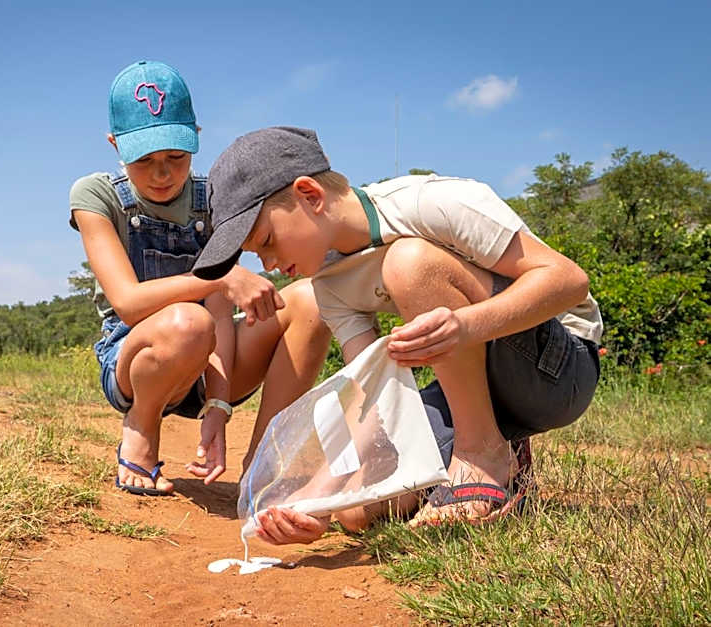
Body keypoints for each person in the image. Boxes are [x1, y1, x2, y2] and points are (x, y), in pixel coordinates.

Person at [192, 127, 602, 540]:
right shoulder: (329, 284)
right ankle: (505, 452)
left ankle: (482, 455)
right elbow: (375, 395)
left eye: (267, 241)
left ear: (310, 195)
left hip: (555, 369)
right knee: (356, 510)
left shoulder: (432, 203)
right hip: (476, 392)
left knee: (409, 262)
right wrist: (318, 501)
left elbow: (569, 281)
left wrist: (465, 325)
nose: (270, 262)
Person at [68, 66, 331, 496]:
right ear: (114, 145)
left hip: (210, 356)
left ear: (196, 135)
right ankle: (142, 425)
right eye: (144, 161)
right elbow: (129, 303)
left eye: (175, 157)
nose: (161, 174)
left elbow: (220, 319)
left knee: (308, 301)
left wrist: (218, 406)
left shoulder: (211, 199)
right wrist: (220, 278)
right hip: (137, 357)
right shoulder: (95, 196)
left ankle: (262, 463)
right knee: (186, 323)